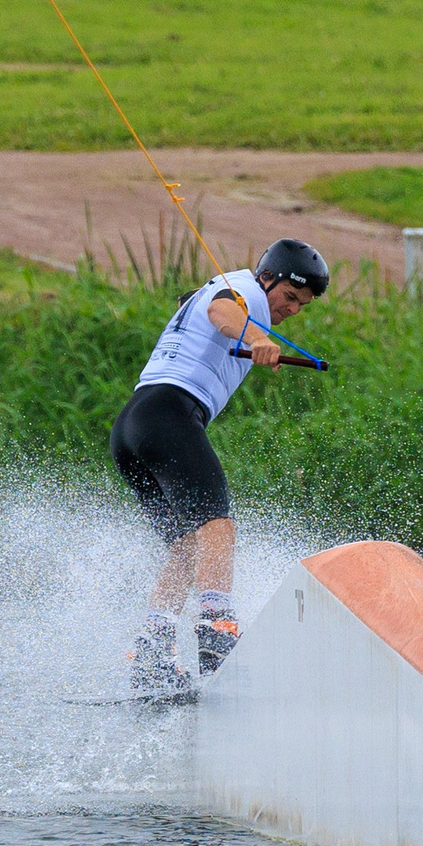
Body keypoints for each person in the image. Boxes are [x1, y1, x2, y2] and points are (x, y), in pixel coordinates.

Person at [108, 238, 329, 697]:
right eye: (289, 298)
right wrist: (257, 337)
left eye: (301, 306)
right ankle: (217, 631)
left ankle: (152, 651)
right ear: (268, 277)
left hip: (131, 428)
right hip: (168, 411)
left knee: (189, 546)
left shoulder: (225, 286)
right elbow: (222, 314)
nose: (291, 310)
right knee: (216, 526)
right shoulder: (243, 291)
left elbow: (201, 304)